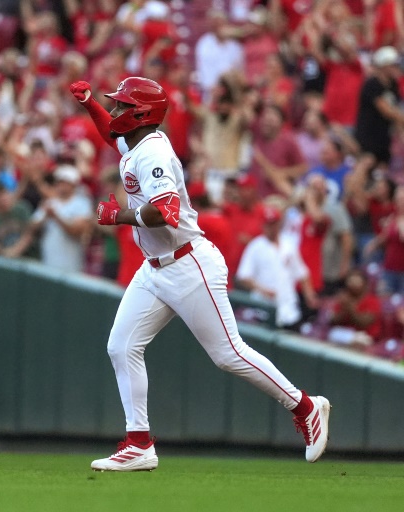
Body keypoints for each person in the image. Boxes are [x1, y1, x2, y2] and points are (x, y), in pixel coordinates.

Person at [69, 77, 330, 471]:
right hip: (155, 267)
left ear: (141, 114)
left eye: (122, 105)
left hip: (188, 264)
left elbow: (166, 212)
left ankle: (305, 406)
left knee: (228, 354)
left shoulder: (152, 152)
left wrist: (118, 216)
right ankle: (139, 443)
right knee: (121, 346)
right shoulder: (137, 142)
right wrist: (91, 103)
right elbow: (112, 134)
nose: (116, 111)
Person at [237, 205, 319, 330]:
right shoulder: (256, 246)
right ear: (263, 225)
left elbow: (302, 273)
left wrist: (309, 295)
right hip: (263, 308)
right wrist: (262, 289)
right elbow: (243, 276)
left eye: (274, 223)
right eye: (268, 224)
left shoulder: (288, 245)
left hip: (288, 309)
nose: (272, 228)